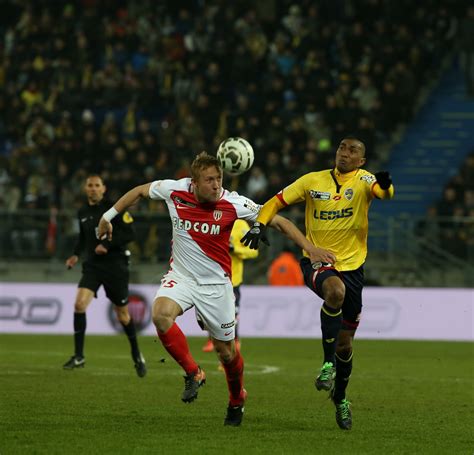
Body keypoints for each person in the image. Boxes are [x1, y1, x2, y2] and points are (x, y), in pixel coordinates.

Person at [97, 152, 327, 426]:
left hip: (216, 286)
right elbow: (139, 191)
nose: (217, 185)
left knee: (227, 353)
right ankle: (194, 373)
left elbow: (277, 219)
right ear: (194, 182)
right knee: (160, 315)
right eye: (210, 180)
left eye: (219, 179)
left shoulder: (232, 202)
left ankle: (236, 398)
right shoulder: (175, 191)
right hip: (182, 277)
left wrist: (309, 247)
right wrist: (108, 216)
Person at [242, 136, 394, 430]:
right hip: (316, 261)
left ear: (361, 161)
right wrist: (259, 223)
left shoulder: (365, 180)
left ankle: (340, 397)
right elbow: (275, 201)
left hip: (353, 269)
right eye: (341, 148)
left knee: (346, 345)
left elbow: (383, 193)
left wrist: (386, 186)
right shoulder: (313, 181)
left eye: (352, 151)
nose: (345, 154)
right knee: (333, 291)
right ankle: (327, 366)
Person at [63, 175, 147, 378]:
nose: (93, 189)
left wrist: (107, 245)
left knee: (123, 315)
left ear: (104, 189)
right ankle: (79, 355)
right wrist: (75, 254)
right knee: (79, 305)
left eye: (96, 186)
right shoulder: (82, 211)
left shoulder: (114, 209)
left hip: (115, 266)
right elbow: (83, 238)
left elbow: (130, 234)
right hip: (92, 265)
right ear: (85, 188)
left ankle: (137, 354)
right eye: (89, 185)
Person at [202, 218, 258, 353]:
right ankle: (212, 339)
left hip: (233, 279)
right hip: (213, 277)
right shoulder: (214, 221)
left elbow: (253, 251)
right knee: (211, 311)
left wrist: (235, 249)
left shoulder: (241, 225)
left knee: (232, 314)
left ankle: (235, 341)